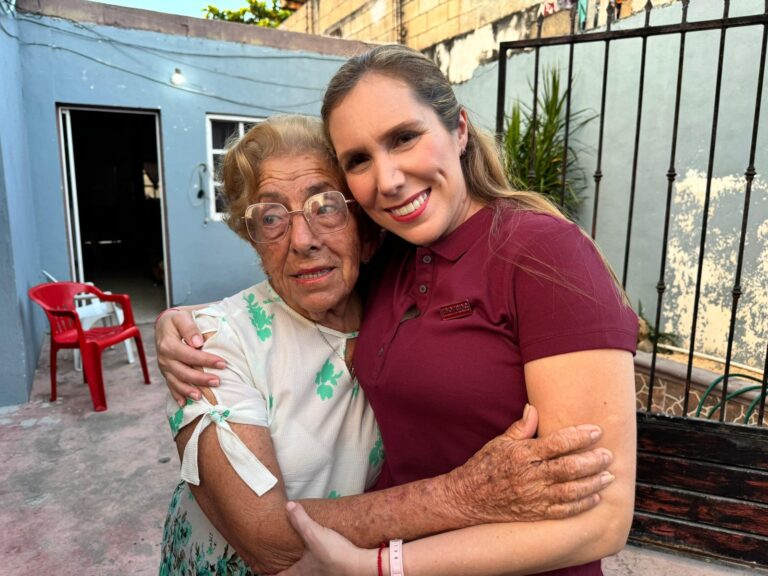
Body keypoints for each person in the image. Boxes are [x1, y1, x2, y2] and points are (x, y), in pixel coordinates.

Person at [157, 114, 616, 576]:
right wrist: (463, 496)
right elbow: (265, 540)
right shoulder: (209, 345)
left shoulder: (390, 295)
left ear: (366, 227)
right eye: (271, 217)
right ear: (252, 237)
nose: (302, 241)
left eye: (326, 207)